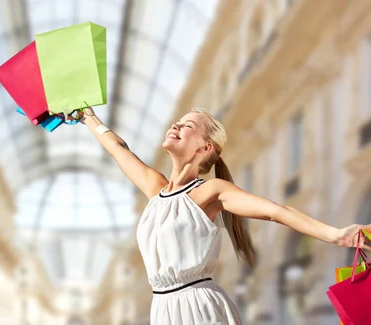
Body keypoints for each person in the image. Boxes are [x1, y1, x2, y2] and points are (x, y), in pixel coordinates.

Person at [79, 106, 371, 324]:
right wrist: (87, 116)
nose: (176, 125)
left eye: (187, 125)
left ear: (204, 147)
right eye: (177, 121)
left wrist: (337, 235)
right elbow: (118, 149)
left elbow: (275, 211)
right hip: (163, 309)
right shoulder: (156, 190)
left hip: (198, 307)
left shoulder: (211, 191)